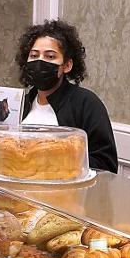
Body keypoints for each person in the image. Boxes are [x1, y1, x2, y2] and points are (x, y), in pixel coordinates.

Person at [15, 19, 118, 172]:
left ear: (67, 65)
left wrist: (56, 158)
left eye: (50, 57)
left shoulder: (87, 103)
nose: (40, 61)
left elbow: (106, 164)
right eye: (34, 55)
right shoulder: (21, 104)